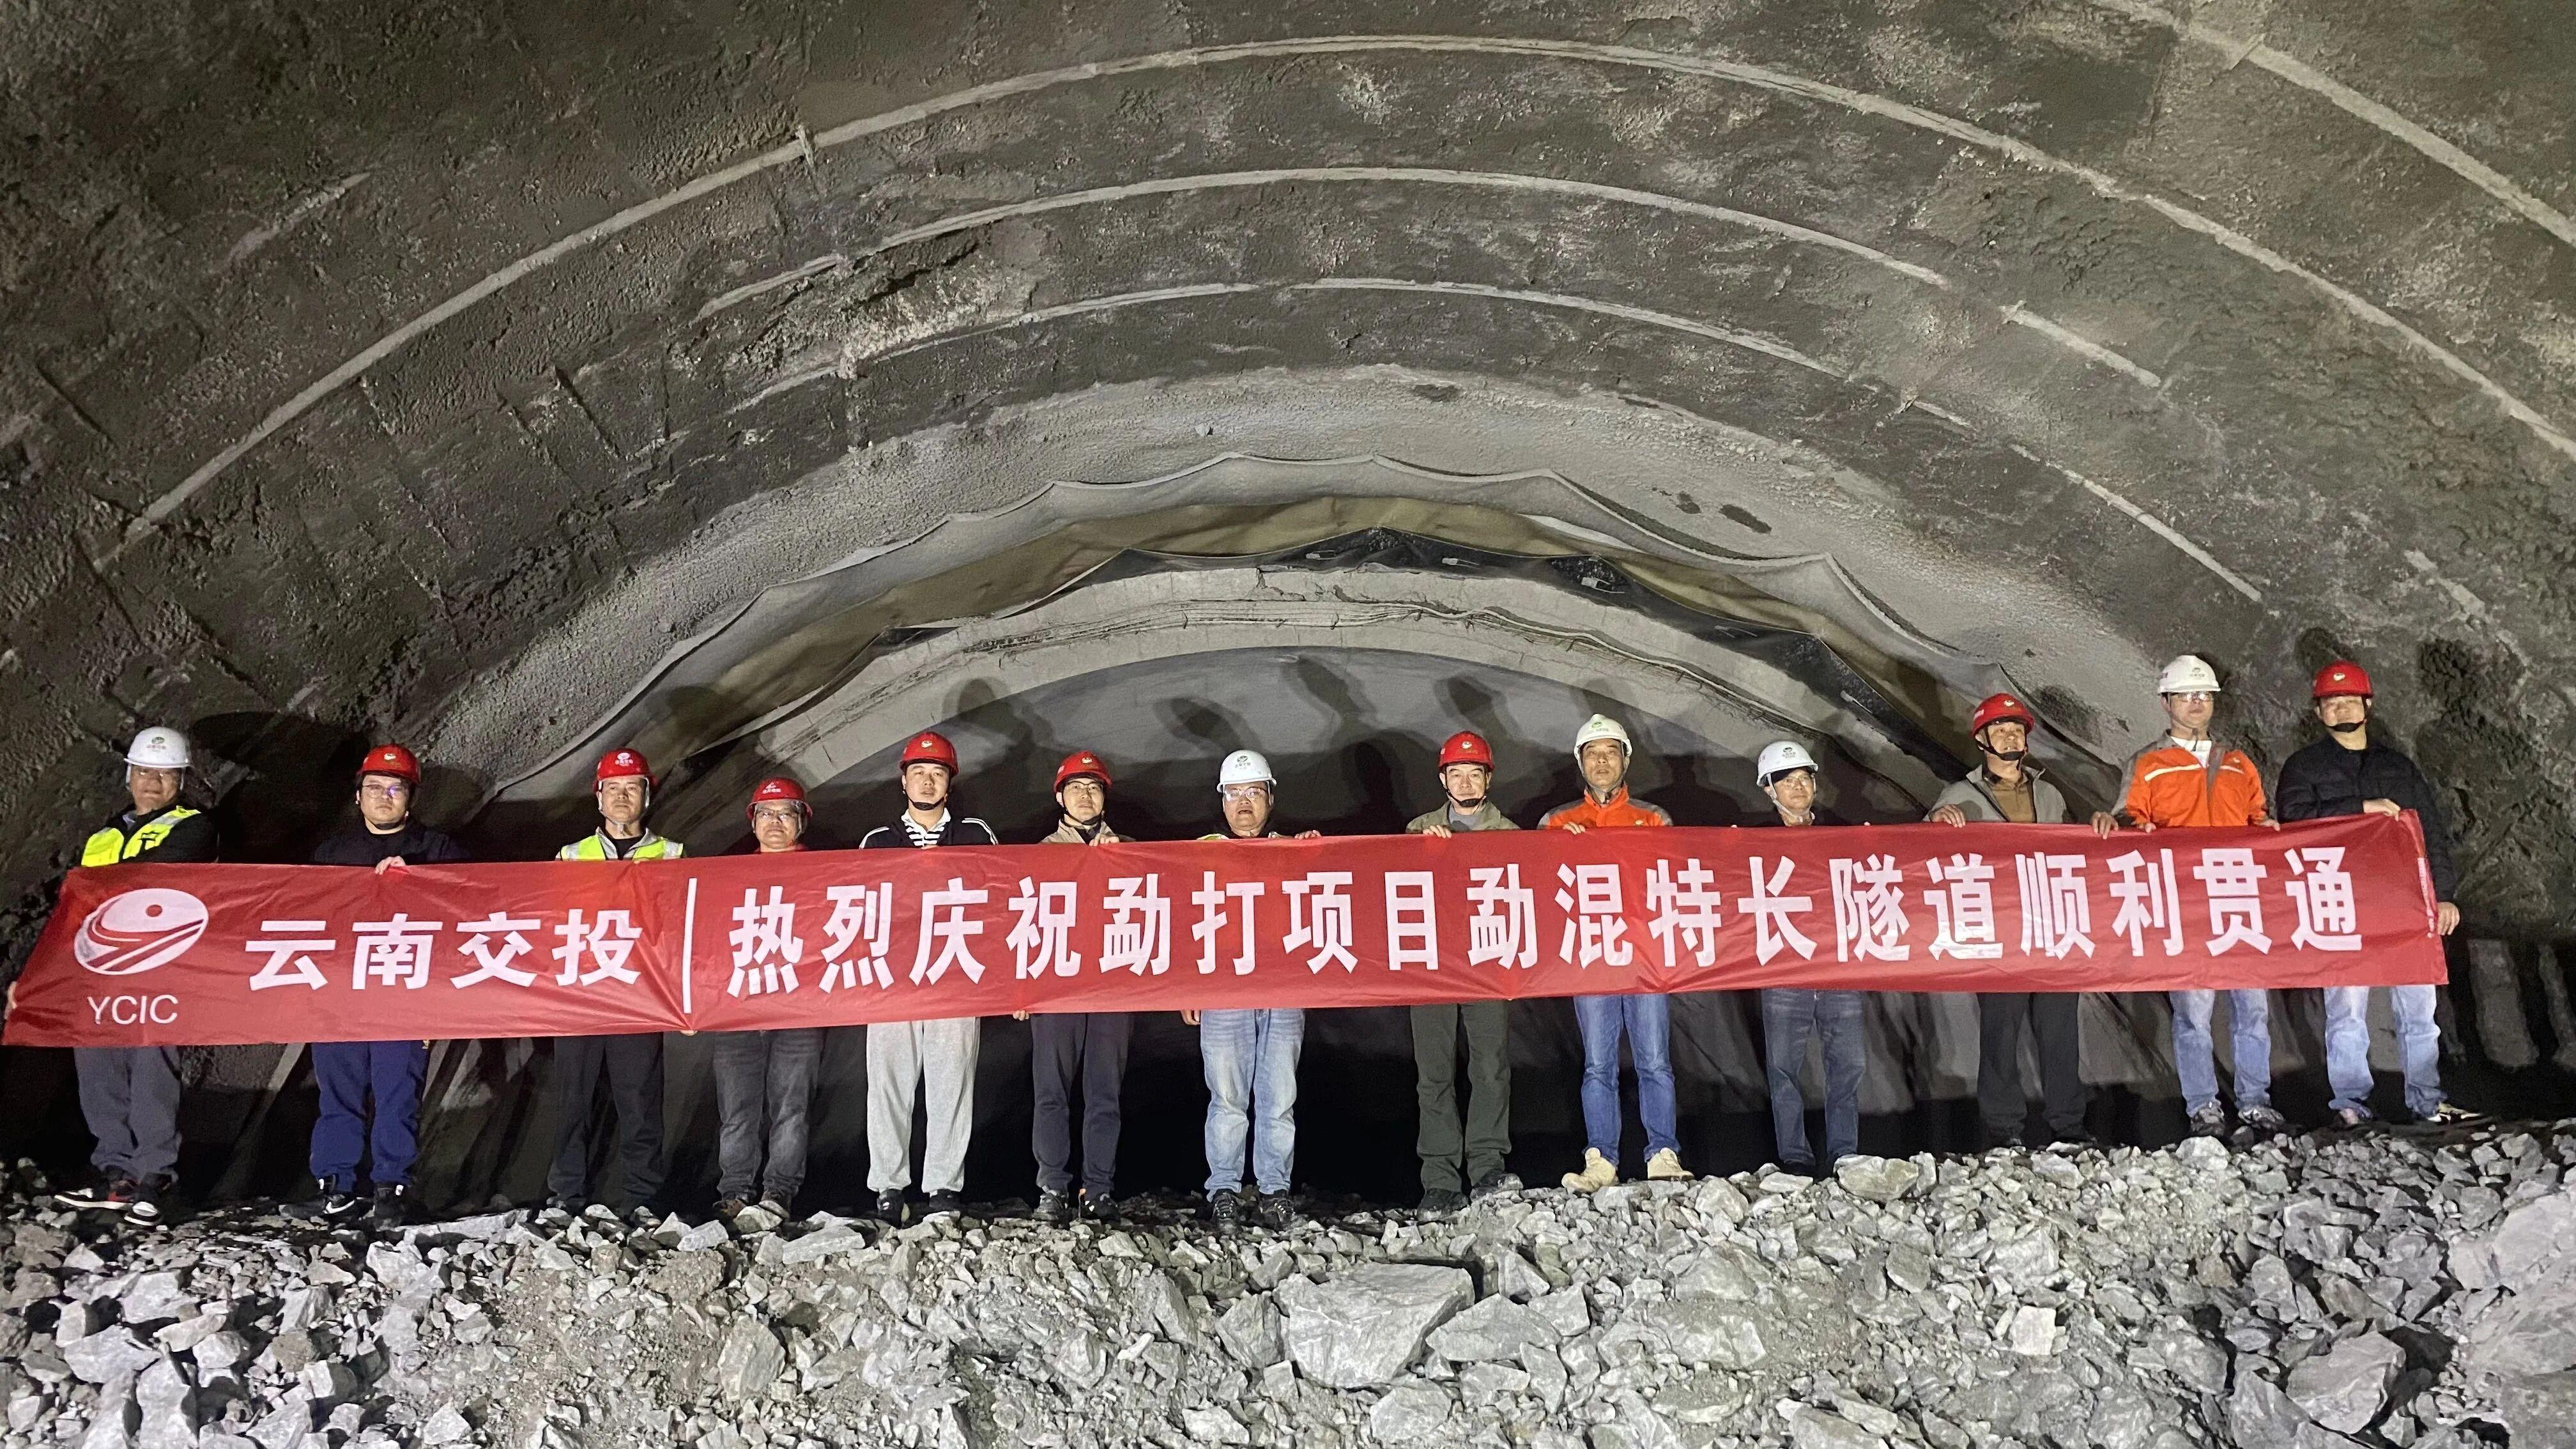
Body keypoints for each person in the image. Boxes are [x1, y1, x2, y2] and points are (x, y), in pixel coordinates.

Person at [2097, 655, 2283, 1139]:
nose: (2196, 703)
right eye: (2185, 696)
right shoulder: (2148, 764)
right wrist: (2126, 826)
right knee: (2193, 1013)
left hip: (2238, 899)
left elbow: (2257, 817)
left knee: (2252, 1009)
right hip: (2186, 906)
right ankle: (2203, 1106)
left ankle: (2255, 1102)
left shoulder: (2238, 763)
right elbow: (2129, 817)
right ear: (2166, 703)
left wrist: (2266, 827)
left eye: (2203, 695)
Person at [2274, 661, 2463, 1126]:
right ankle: (2351, 1105)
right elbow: (2293, 819)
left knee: (2419, 1009)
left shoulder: (2397, 766)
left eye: (2349, 701)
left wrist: (2443, 894)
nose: (2341, 709)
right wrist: (2360, 808)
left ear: (2368, 705)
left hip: (2403, 898)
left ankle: (2427, 1101)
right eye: (2331, 703)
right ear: (2319, 713)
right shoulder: (2304, 767)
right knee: (2346, 1011)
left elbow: (2430, 831)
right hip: (2340, 897)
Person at [289, 744, 468, 1228]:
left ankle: (393, 1188)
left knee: (397, 1094)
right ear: (358, 796)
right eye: (374, 787)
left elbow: (465, 914)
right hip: (342, 992)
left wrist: (419, 884)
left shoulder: (440, 852)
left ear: (411, 798)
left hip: (404, 993)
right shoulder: (331, 854)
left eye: (395, 788)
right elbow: (308, 919)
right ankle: (336, 1187)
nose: (384, 796)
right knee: (338, 1094)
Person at [49, 726, 216, 1223]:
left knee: (151, 1069)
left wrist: (99, 886)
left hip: (161, 965)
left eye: (164, 775)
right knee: (98, 1067)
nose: (152, 782)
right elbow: (71, 910)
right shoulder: (103, 838)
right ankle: (115, 1172)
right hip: (100, 968)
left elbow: (153, 876)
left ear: (181, 780)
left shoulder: (194, 827)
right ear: (129, 776)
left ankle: (155, 1176)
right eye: (144, 771)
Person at [1929, 695, 2091, 1150]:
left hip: (2052, 926)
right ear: (1981, 739)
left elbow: (2078, 852)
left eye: (2016, 730)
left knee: (2060, 1028)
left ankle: (2068, 1125)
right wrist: (1935, 822)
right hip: (1999, 932)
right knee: (2001, 1030)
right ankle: (2004, 1129)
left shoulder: (2050, 795)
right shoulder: (1960, 797)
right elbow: (1923, 850)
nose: (2010, 737)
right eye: (2000, 730)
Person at [1541, 714, 1689, 1192]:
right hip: (1592, 959)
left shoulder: (1653, 818)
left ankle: (1663, 1154)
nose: (1601, 762)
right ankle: (1601, 1159)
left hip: (1645, 958)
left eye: (1610, 753)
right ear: (1580, 763)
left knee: (1655, 1060)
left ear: (1625, 760)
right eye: (1592, 754)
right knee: (1598, 1065)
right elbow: (1538, 887)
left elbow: (1674, 880)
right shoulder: (1557, 822)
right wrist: (1556, 850)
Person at [857, 731, 997, 1224]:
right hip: (893, 983)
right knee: (888, 1085)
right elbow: (858, 912)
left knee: (952, 1083)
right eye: (919, 772)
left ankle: (943, 1186)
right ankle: (888, 1186)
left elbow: (1000, 903)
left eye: (937, 773)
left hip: (955, 977)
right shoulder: (877, 842)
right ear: (903, 781)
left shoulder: (976, 835)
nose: (928, 781)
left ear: (949, 783)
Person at [548, 747, 683, 1220]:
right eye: (614, 788)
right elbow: (547, 921)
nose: (622, 797)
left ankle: (643, 1197)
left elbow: (684, 929)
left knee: (640, 1101)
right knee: (572, 1100)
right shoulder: (571, 855)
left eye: (632, 788)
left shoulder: (673, 854)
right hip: (582, 995)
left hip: (639, 997)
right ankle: (567, 1195)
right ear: (598, 797)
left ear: (647, 796)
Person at [1188, 748, 1321, 1229]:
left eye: (1254, 793)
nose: (1244, 803)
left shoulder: (1294, 851)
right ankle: (1223, 1187)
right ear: (1222, 801)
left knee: (1279, 1096)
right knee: (1226, 1096)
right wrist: (1186, 987)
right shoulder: (1200, 853)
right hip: (1224, 990)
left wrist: (1319, 854)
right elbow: (1183, 919)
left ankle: (1274, 1189)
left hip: (1283, 989)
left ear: (1270, 799)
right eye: (1235, 794)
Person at [1405, 731, 1523, 1212]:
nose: (1467, 782)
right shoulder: (1418, 830)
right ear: (1444, 780)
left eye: (1475, 774)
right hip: (1432, 965)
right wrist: (1424, 851)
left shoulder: (1510, 835)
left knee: (1490, 1067)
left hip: (1487, 961)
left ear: (1488, 779)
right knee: (1433, 1073)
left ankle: (1488, 1167)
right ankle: (1439, 1180)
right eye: (1458, 774)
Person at [709, 777, 827, 1225]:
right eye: (766, 814)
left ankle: (779, 1192)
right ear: (753, 822)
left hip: (799, 1011)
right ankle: (736, 1192)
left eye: (785, 814)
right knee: (736, 1110)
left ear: (801, 822)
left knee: (791, 1109)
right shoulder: (728, 877)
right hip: (738, 1011)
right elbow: (704, 942)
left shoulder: (826, 874)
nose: (775, 822)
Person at [1020, 751, 1131, 1224]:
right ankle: (1053, 1186)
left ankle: (1098, 1188)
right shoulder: (1040, 854)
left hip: (1111, 985)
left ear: (1105, 798)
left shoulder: (1130, 851)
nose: (1085, 796)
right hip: (1057, 985)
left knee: (1105, 1093)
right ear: (1060, 798)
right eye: (1076, 788)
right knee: (1051, 1092)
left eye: (1094, 788)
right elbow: (1021, 923)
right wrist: (1021, 988)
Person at [1751, 740, 1866, 1175]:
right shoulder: (1752, 842)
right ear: (1769, 790)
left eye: (1805, 779)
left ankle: (1844, 1153)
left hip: (1838, 969)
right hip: (1785, 971)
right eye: (1788, 781)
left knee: (1849, 1066)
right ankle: (1795, 1156)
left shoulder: (1843, 833)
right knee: (1783, 1068)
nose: (1799, 788)